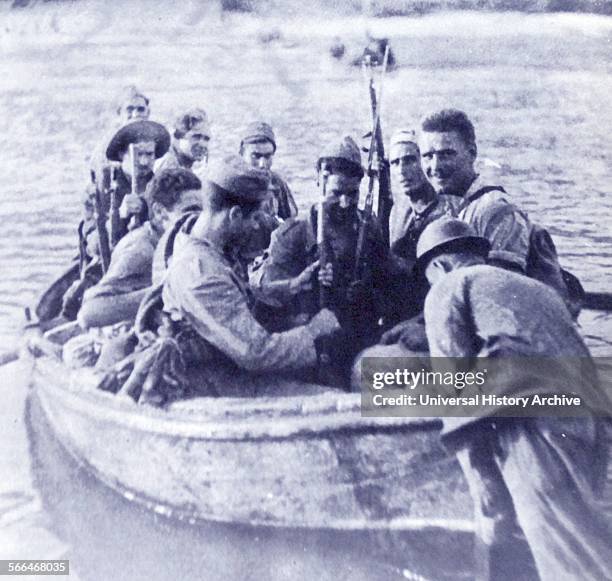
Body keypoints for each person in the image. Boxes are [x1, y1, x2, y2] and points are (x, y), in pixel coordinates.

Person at [416, 217, 612, 581]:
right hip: (592, 416)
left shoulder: (447, 288)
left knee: (565, 557)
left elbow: (453, 388)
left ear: (439, 265)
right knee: (592, 538)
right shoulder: (535, 288)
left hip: (536, 422)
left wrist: (481, 485)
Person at [149, 155, 341, 399]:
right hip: (212, 382)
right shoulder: (200, 273)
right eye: (252, 218)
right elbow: (255, 352)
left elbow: (235, 294)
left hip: (226, 365)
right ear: (235, 215)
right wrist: (313, 330)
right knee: (335, 399)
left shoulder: (204, 244)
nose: (254, 227)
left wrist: (290, 287)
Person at [257, 136, 392, 380]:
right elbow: (269, 304)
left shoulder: (368, 227)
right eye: (336, 193)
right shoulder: (291, 235)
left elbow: (389, 287)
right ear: (319, 180)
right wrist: (305, 287)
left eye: (353, 194)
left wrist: (368, 292)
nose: (344, 203)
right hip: (312, 350)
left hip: (362, 342)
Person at [417, 108, 575, 311]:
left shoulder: (495, 209)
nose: (435, 166)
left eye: (446, 154)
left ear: (472, 153)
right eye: (427, 156)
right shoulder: (451, 206)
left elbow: (502, 296)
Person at [78, 168, 203, 329]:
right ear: (160, 212)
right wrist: (161, 294)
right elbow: (89, 313)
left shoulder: (181, 238)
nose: (198, 219)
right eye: (190, 210)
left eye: (201, 211)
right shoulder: (141, 248)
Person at [239, 121, 298, 220]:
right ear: (242, 154)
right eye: (255, 156)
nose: (262, 164)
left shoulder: (277, 183)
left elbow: (291, 221)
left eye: (267, 156)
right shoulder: (230, 183)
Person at [155, 108, 211, 174]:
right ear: (179, 136)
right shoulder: (169, 166)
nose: (203, 144)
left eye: (206, 139)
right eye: (196, 137)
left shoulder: (183, 165)